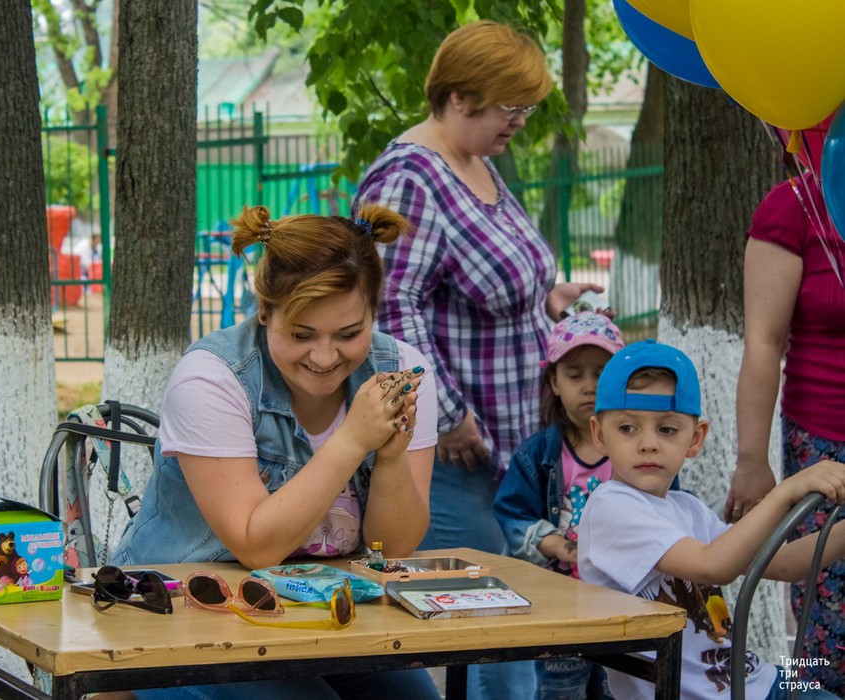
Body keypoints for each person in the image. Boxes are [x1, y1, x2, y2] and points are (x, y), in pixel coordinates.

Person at [352, 20, 603, 697]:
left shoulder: (475, 159)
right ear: (459, 97)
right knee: (495, 638)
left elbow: (484, 276)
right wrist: (447, 417)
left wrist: (547, 298)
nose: (520, 121)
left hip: (509, 443)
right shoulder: (409, 179)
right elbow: (388, 311)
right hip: (457, 454)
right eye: (509, 106)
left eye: (526, 107)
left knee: (518, 626)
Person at [109, 202, 441, 700]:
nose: (325, 356)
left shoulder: (401, 372)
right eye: (302, 335)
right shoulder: (212, 379)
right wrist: (354, 439)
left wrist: (390, 456)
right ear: (265, 312)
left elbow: (390, 550)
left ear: (374, 312)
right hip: (179, 609)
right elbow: (256, 546)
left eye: (349, 334)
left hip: (316, 610)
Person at [578, 339, 845, 700]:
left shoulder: (688, 509)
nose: (648, 444)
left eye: (667, 429)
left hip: (753, 682)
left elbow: (783, 563)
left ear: (696, 438)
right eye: (627, 428)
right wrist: (785, 492)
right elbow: (713, 567)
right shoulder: (611, 507)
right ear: (599, 434)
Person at [725, 171, 845, 694]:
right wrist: (752, 461)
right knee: (824, 626)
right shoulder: (795, 205)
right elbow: (763, 343)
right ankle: (807, 692)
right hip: (824, 449)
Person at [493, 312, 624, 698]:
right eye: (575, 374)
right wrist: (563, 548)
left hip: (624, 604)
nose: (590, 386)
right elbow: (512, 514)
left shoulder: (639, 452)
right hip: (562, 607)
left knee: (618, 688)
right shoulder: (538, 455)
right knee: (561, 689)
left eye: (602, 373)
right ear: (553, 381)